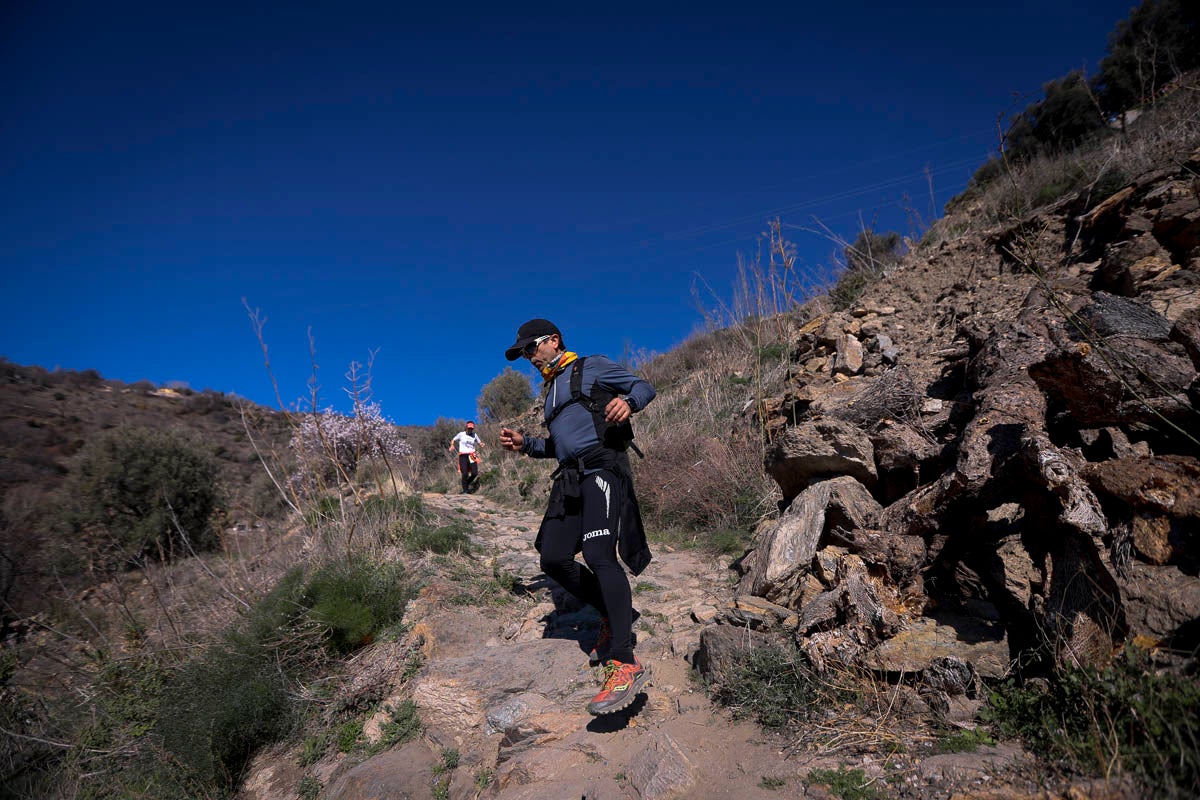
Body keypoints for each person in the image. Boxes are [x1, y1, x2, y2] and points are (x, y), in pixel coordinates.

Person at [498, 318, 656, 716]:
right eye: (523, 355)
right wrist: (527, 444)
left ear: (553, 341)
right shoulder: (551, 392)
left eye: (532, 349)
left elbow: (643, 387)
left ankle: (624, 660)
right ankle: (610, 610)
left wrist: (629, 402)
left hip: (602, 467)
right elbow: (559, 446)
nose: (529, 358)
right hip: (569, 478)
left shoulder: (590, 366)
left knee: (599, 554)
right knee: (552, 558)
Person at [448, 421, 483, 494]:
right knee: (465, 473)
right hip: (463, 455)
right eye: (469, 428)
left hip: (472, 455)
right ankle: (465, 490)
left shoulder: (474, 435)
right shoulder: (461, 434)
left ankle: (466, 483)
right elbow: (453, 439)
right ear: (466, 428)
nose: (470, 430)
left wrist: (481, 444)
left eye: (471, 429)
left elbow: (479, 442)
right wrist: (452, 445)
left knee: (474, 473)